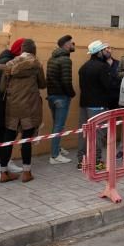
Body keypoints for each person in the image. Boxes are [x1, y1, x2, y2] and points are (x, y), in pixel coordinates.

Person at [0, 38, 46, 183]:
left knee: (8, 138)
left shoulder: (9, 65)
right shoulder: (37, 64)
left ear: (21, 50)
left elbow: (2, 88)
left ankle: (3, 172)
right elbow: (42, 84)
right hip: (29, 107)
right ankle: (27, 172)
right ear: (34, 50)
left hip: (12, 106)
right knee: (27, 139)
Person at [77, 40, 120, 170]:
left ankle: (81, 161)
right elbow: (108, 86)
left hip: (84, 105)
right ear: (99, 52)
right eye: (103, 50)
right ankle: (96, 161)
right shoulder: (103, 67)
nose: (105, 52)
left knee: (84, 134)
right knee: (97, 135)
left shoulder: (83, 67)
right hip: (98, 106)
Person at [0, 39, 25, 180]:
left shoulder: (11, 59)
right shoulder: (5, 61)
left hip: (10, 105)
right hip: (2, 105)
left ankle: (5, 161)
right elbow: (7, 84)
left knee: (9, 135)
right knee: (1, 134)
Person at [45, 35, 76, 165]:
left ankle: (56, 148)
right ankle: (55, 155)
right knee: (59, 125)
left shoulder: (52, 58)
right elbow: (66, 81)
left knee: (56, 125)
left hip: (52, 96)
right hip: (61, 97)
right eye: (71, 43)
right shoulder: (65, 60)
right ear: (66, 45)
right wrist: (71, 94)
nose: (73, 44)